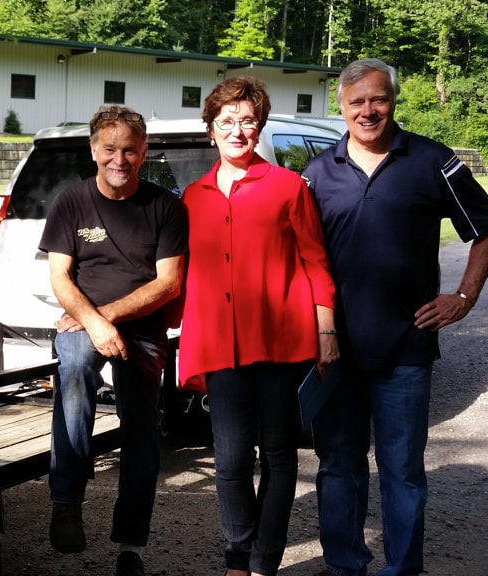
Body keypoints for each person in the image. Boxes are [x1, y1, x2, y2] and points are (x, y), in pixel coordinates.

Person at [302, 58, 488, 576]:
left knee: (402, 471)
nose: (368, 111)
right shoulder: (317, 172)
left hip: (407, 346)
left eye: (378, 99)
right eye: (356, 102)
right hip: (335, 348)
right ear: (341, 107)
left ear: (393, 100)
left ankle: (402, 569)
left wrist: (464, 296)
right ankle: (346, 565)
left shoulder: (433, 160)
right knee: (339, 466)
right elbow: (297, 255)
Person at [177, 76, 340, 576]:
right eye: (226, 121)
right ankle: (236, 560)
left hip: (280, 342)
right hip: (220, 347)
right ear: (211, 130)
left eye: (247, 121)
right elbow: (179, 275)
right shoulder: (193, 196)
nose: (237, 130)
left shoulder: (289, 187)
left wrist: (327, 331)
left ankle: (266, 560)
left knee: (279, 455)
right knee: (228, 461)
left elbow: (316, 262)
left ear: (260, 126)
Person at [40, 104, 188, 576]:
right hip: (82, 325)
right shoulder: (71, 201)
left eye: (129, 150)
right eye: (109, 149)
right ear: (93, 149)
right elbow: (60, 276)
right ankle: (66, 502)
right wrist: (94, 323)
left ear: (144, 152)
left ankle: (131, 545)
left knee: (141, 426)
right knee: (77, 372)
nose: (118, 159)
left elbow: (168, 284)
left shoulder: (166, 207)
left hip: (141, 331)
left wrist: (106, 319)